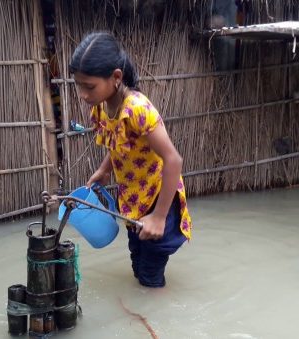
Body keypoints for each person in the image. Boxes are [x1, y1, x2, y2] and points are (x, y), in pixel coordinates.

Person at [69, 32, 192, 288]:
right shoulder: (102, 106)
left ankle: (156, 319)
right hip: (133, 197)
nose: (82, 94)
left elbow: (173, 160)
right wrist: (104, 170)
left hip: (158, 197)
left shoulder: (137, 109)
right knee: (137, 262)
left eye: (88, 86)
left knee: (150, 274)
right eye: (78, 85)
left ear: (116, 77)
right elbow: (119, 142)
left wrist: (158, 218)